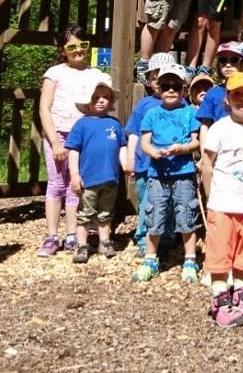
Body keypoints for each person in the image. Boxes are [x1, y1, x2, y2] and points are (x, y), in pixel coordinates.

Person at [200, 72, 243, 328]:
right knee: (220, 256)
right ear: (227, 99)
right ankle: (220, 301)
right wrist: (210, 197)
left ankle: (242, 298)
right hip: (223, 203)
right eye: (236, 94)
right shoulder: (220, 128)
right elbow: (207, 164)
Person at [36, 24, 110, 257]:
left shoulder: (96, 74)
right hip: (58, 133)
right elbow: (44, 109)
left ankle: (71, 234)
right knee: (56, 183)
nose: (78, 50)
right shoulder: (54, 73)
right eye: (72, 46)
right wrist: (55, 143)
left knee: (75, 185)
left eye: (83, 45)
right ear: (63, 49)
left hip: (84, 136)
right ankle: (51, 236)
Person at [132, 63, 201, 283]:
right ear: (158, 87)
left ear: (184, 88)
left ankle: (190, 258)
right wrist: (153, 152)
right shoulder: (152, 113)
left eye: (176, 86)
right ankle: (151, 259)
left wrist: (183, 149)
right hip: (158, 173)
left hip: (184, 172)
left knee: (186, 214)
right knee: (155, 214)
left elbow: (196, 141)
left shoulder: (190, 112)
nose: (171, 90)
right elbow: (144, 142)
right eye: (166, 85)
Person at [66, 77, 127, 264]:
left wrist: (126, 164)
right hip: (88, 179)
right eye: (96, 97)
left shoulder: (114, 123)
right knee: (85, 213)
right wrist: (74, 175)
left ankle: (105, 241)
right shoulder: (82, 124)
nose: (101, 100)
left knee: (106, 213)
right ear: (87, 101)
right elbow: (73, 151)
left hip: (110, 178)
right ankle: (82, 245)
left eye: (106, 97)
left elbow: (122, 145)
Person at [124, 52, 173, 257]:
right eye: (154, 78)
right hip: (145, 164)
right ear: (149, 80)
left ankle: (166, 238)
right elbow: (134, 133)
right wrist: (129, 158)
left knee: (169, 202)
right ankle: (145, 239)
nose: (158, 82)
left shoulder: (180, 104)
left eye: (164, 78)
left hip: (170, 164)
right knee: (148, 203)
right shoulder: (144, 104)